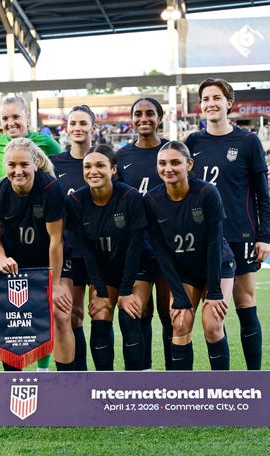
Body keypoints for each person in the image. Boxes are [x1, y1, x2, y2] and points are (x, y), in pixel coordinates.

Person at [185, 78, 270, 370]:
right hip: (205, 239)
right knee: (212, 314)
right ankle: (221, 383)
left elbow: (262, 193)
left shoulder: (248, 141)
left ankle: (255, 379)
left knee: (246, 305)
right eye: (206, 98)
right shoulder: (192, 143)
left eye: (217, 98)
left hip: (241, 234)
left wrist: (265, 235)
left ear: (229, 104)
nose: (211, 103)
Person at [0, 137, 75, 371]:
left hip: (50, 261)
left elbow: (56, 240)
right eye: (12, 165)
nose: (18, 171)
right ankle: (14, 382)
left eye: (24, 164)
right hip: (16, 266)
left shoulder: (50, 188)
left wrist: (54, 285)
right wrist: (2, 259)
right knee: (13, 323)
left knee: (61, 315)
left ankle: (66, 383)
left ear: (35, 163)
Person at [144, 141, 236, 370]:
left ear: (189, 164)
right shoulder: (152, 200)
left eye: (176, 162)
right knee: (181, 321)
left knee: (213, 324)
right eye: (162, 163)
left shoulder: (206, 192)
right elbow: (162, 251)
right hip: (185, 270)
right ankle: (181, 390)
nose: (168, 168)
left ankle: (221, 390)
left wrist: (214, 290)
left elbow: (215, 242)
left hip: (218, 265)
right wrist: (179, 294)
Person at [66, 145, 150, 371]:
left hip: (136, 267)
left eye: (100, 165)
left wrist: (124, 291)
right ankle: (105, 384)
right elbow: (86, 250)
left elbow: (135, 246)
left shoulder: (130, 197)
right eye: (88, 166)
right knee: (101, 314)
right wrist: (101, 291)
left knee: (129, 313)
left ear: (113, 169)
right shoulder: (76, 201)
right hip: (103, 269)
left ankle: (134, 384)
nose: (93, 171)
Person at [116, 97, 171, 370]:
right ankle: (140, 378)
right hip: (135, 246)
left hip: (168, 245)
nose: (144, 118)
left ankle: (176, 383)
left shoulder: (172, 151)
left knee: (170, 314)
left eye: (150, 113)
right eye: (138, 114)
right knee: (137, 313)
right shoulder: (122, 156)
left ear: (160, 117)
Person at [51, 104, 97, 370]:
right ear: (66, 129)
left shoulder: (104, 159)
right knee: (72, 314)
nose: (78, 128)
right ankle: (75, 383)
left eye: (83, 123)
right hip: (70, 250)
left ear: (94, 127)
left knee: (102, 313)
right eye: (73, 123)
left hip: (103, 249)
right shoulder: (55, 165)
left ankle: (105, 382)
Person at [0, 96, 62, 178]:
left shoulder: (46, 141)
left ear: (27, 118)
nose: (10, 123)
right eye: (5, 118)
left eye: (16, 117)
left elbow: (64, 170)